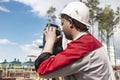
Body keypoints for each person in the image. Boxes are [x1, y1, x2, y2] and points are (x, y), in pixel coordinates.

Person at [35, 1, 116, 80]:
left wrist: (49, 41)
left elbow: (42, 70)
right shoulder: (90, 42)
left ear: (70, 22)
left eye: (62, 23)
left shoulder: (83, 46)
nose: (62, 29)